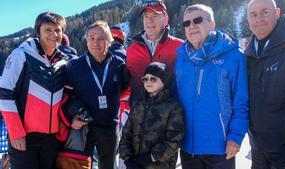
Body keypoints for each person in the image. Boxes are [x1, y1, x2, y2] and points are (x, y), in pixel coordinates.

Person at [174, 4, 249, 169]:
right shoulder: (181, 60)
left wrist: (235, 137)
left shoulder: (233, 56)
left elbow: (241, 101)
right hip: (188, 147)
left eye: (197, 20)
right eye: (186, 23)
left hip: (220, 148)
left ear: (212, 24)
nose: (191, 26)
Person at [0, 12, 68, 169]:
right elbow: (4, 94)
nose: (54, 34)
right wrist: (16, 132)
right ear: (38, 31)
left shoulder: (62, 62)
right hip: (25, 136)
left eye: (57, 30)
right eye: (48, 30)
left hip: (51, 138)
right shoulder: (21, 55)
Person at [61, 20, 130, 169]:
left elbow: (123, 88)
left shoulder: (119, 65)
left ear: (109, 41)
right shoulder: (74, 66)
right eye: (91, 38)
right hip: (84, 127)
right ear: (86, 42)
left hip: (109, 128)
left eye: (101, 39)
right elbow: (66, 97)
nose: (95, 43)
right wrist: (73, 116)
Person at [245, 0, 285, 168]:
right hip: (258, 149)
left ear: (277, 13)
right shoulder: (249, 53)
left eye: (265, 12)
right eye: (253, 15)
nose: (259, 19)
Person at [119, 62, 185, 169]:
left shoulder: (173, 106)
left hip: (160, 165)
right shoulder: (138, 104)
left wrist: (150, 157)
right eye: (145, 79)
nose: (148, 82)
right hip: (134, 164)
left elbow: (175, 139)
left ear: (164, 80)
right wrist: (127, 159)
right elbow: (126, 133)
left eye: (153, 79)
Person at [126, 0, 183, 103]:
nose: (149, 21)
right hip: (138, 114)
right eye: (146, 17)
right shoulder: (131, 50)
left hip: (169, 115)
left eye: (155, 16)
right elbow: (126, 83)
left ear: (165, 19)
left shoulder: (180, 47)